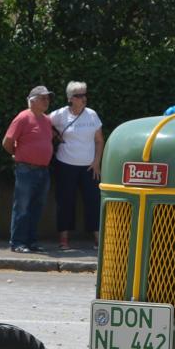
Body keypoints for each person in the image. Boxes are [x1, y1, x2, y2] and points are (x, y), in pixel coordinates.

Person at [49, 81, 104, 251]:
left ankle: (98, 238)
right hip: (65, 164)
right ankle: (64, 239)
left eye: (85, 94)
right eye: (80, 95)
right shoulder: (60, 114)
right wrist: (55, 135)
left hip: (89, 166)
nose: (84, 98)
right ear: (71, 98)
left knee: (93, 200)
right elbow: (43, 123)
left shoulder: (92, 114)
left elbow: (99, 140)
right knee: (65, 201)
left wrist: (97, 162)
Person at [2, 86, 55, 253]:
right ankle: (17, 242)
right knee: (22, 207)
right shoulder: (23, 117)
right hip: (26, 169)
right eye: (43, 98)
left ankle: (31, 241)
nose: (47, 101)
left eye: (47, 98)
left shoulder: (47, 120)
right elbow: (7, 141)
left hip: (43, 170)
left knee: (36, 208)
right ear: (32, 101)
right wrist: (17, 154)